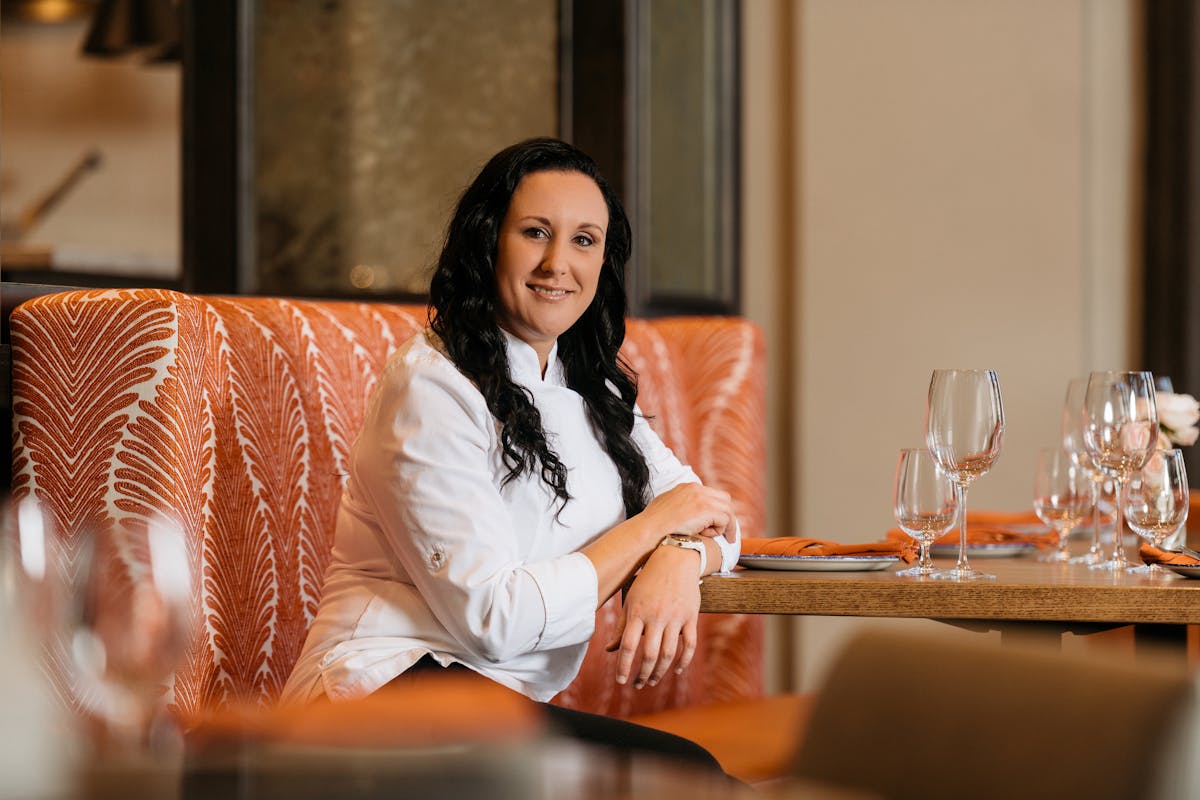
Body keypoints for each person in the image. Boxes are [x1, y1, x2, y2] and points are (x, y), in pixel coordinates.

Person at [281, 137, 740, 770]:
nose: (558, 263)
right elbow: (494, 620)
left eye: (584, 240)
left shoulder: (590, 385)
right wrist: (656, 526)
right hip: (380, 699)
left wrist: (681, 557)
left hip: (493, 710)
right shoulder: (432, 385)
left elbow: (711, 514)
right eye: (534, 232)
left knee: (692, 775)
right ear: (488, 240)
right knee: (689, 776)